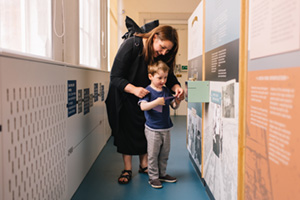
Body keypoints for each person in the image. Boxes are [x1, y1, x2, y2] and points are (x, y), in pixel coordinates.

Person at [105, 25, 184, 184]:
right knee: (126, 133)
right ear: (154, 37)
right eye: (162, 48)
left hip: (147, 96)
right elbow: (115, 76)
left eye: (167, 51)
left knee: (145, 131)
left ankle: (144, 165)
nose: (163, 53)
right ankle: (127, 169)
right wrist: (134, 90)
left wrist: (177, 88)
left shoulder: (161, 53)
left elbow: (169, 76)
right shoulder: (132, 45)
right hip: (125, 95)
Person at [139, 61, 181, 189]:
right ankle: (153, 177)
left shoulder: (166, 90)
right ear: (151, 76)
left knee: (164, 153)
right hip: (152, 129)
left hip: (166, 128)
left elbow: (173, 106)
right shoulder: (148, 91)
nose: (163, 81)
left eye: (165, 78)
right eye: (160, 78)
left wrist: (178, 100)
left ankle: (162, 174)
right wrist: (156, 102)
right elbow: (143, 106)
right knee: (152, 154)